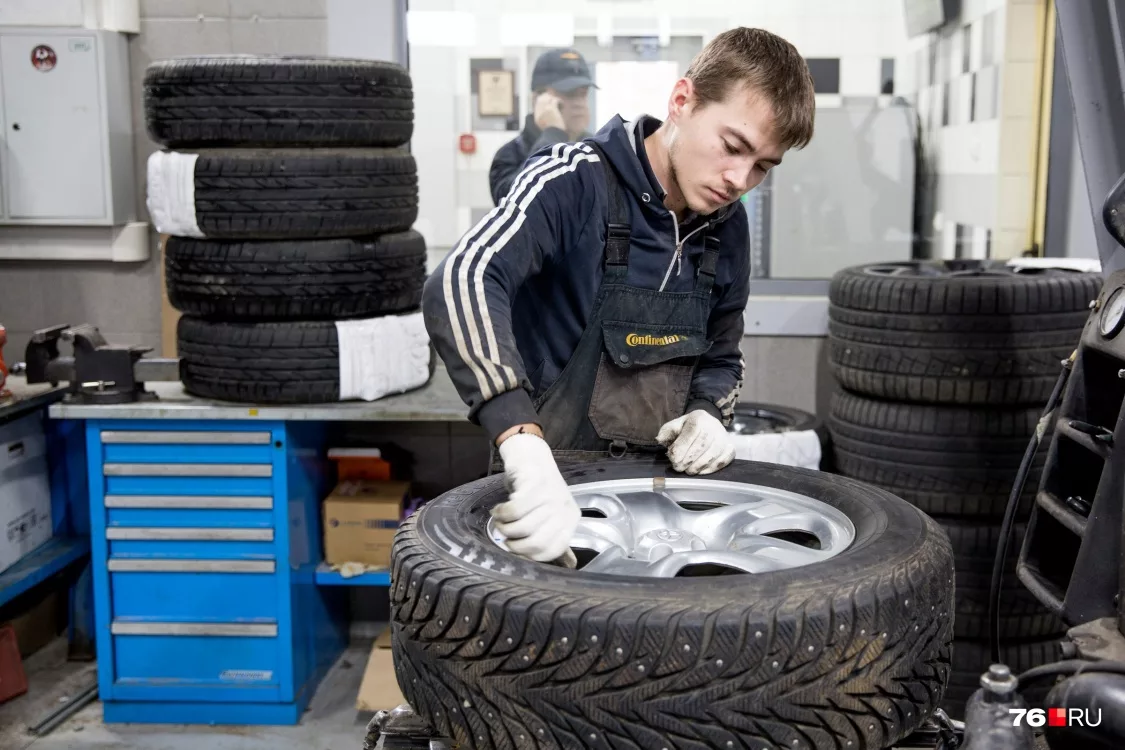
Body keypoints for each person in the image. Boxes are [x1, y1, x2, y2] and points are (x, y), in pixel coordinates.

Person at [423, 28, 816, 563]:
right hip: (550, 502)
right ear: (682, 102)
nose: (739, 180)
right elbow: (462, 280)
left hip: (663, 515)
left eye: (763, 167)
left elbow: (722, 355)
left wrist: (708, 414)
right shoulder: (572, 180)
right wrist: (521, 444)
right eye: (733, 147)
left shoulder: (729, 226)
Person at [489, 48, 596, 206]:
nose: (579, 103)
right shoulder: (509, 155)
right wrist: (553, 134)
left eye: (583, 94)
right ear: (538, 99)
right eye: (570, 94)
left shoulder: (594, 149)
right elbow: (515, 204)